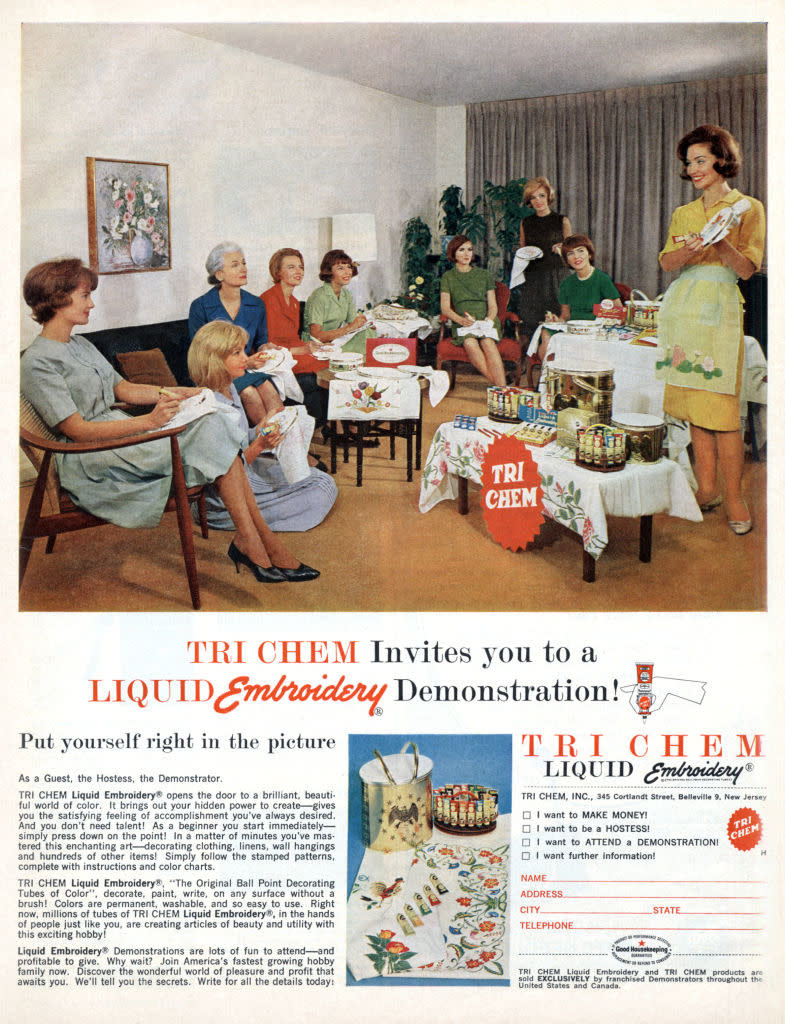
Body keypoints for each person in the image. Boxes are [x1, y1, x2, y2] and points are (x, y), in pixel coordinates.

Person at [21, 257, 313, 585]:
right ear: (58, 299)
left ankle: (254, 541)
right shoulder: (37, 362)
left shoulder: (79, 344)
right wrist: (149, 422)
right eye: (84, 295)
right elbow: (77, 431)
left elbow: (124, 388)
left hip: (118, 436)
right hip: (91, 455)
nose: (91, 303)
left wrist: (180, 392)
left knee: (212, 422)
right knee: (216, 432)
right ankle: (259, 543)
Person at [657, 124, 765, 535]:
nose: (694, 169)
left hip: (720, 309)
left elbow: (748, 269)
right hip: (683, 310)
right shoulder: (684, 213)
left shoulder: (748, 208)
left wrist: (719, 241)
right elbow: (667, 263)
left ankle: (735, 499)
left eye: (701, 160)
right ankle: (707, 490)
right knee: (696, 410)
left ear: (722, 159)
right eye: (689, 163)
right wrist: (691, 247)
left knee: (722, 408)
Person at [188, 320, 336, 543]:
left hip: (247, 472)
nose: (245, 358)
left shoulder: (229, 388)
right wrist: (260, 445)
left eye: (243, 351)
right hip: (224, 495)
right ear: (215, 360)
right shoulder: (210, 407)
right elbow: (224, 474)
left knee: (321, 479)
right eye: (236, 353)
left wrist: (264, 424)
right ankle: (227, 518)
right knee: (319, 493)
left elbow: (239, 440)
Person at [188, 242, 283, 425]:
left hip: (245, 369)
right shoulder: (200, 306)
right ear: (219, 274)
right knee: (249, 393)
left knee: (269, 387)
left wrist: (266, 348)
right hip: (216, 376)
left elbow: (261, 342)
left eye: (244, 263)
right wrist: (247, 361)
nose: (243, 269)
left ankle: (285, 445)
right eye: (235, 265)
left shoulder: (256, 304)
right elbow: (202, 357)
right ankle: (264, 446)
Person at [261, 248, 327, 427]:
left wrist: (309, 345)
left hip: (294, 353)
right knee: (323, 372)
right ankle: (331, 427)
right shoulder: (269, 300)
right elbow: (268, 345)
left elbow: (290, 337)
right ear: (278, 272)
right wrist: (302, 349)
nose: (299, 272)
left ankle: (334, 425)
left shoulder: (296, 302)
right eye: (291, 267)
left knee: (331, 365)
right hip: (278, 359)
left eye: (301, 267)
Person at [439, 235, 506, 386]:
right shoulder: (448, 277)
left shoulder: (484, 275)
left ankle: (501, 389)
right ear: (453, 253)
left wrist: (489, 319)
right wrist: (460, 320)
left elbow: (493, 306)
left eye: (469, 249)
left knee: (488, 342)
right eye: (461, 250)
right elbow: (445, 307)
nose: (466, 254)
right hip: (463, 322)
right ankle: (501, 387)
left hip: (485, 321)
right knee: (470, 342)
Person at [511, 176, 572, 334]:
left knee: (558, 320)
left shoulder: (562, 221)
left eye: (541, 196)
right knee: (532, 321)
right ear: (529, 201)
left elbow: (572, 254)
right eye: (533, 197)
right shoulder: (525, 222)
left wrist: (563, 249)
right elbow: (523, 251)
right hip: (533, 278)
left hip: (557, 277)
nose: (538, 201)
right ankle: (533, 356)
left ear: (549, 196)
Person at [302, 249, 372, 356]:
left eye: (349, 267)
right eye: (340, 268)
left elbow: (352, 321)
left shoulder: (346, 294)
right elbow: (316, 335)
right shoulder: (319, 296)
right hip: (315, 344)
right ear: (329, 272)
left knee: (369, 334)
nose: (347, 272)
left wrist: (363, 323)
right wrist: (351, 327)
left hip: (334, 341)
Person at [552, 234, 622, 322]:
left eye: (580, 251)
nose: (576, 256)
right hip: (572, 330)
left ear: (589, 254)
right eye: (570, 253)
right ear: (567, 260)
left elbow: (620, 314)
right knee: (545, 332)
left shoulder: (602, 279)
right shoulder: (566, 283)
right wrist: (556, 321)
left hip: (596, 331)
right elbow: (565, 316)